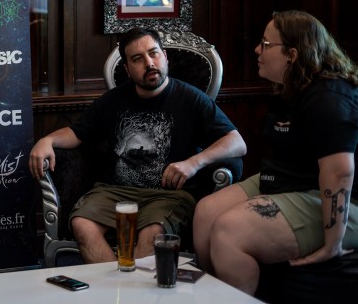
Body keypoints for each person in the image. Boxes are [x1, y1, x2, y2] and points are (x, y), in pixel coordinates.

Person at [28, 27, 247, 261]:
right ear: (128, 69)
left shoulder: (192, 98)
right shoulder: (113, 101)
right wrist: (47, 140)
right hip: (115, 192)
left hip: (168, 195)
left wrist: (194, 163)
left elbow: (237, 142)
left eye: (154, 53)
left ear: (165, 56)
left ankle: (127, 284)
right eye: (137, 59)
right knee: (82, 224)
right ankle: (120, 284)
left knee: (152, 234)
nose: (149, 63)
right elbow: (76, 133)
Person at [192, 10, 358, 295]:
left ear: (292, 54)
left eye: (266, 44)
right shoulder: (292, 87)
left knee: (229, 232)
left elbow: (340, 173)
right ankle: (218, 297)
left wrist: (333, 245)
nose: (257, 50)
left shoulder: (329, 98)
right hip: (291, 181)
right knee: (206, 213)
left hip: (338, 197)